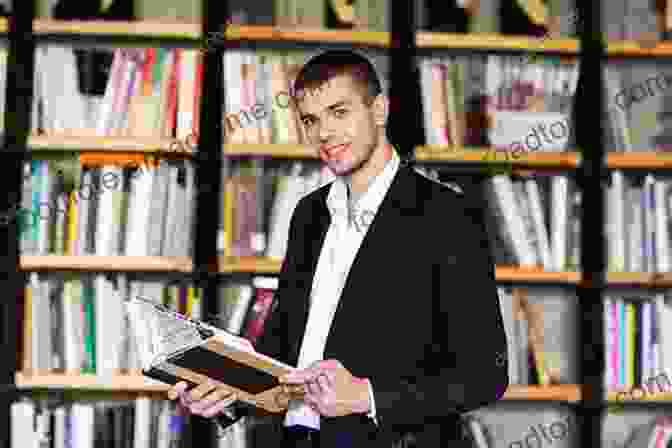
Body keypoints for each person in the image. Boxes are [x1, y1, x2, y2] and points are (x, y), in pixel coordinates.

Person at [168, 49, 508, 448]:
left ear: (378, 110)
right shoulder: (308, 215)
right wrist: (230, 389)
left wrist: (366, 395)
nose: (324, 133)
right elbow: (284, 353)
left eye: (339, 112)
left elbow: (486, 374)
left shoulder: (447, 216)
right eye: (311, 120)